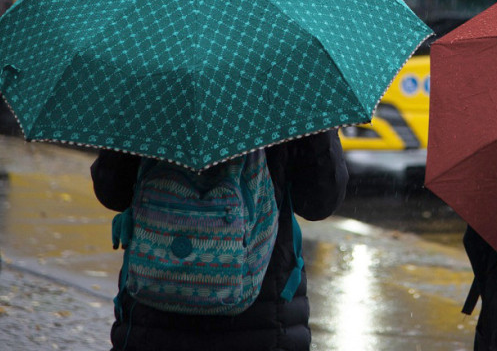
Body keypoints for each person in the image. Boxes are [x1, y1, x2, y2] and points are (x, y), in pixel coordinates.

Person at [91, 129, 348, 351]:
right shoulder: (286, 93)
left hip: (153, 312)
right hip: (262, 317)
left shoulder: (152, 93)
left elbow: (112, 190)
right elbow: (319, 201)